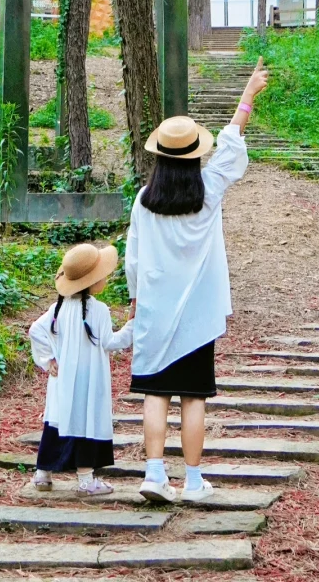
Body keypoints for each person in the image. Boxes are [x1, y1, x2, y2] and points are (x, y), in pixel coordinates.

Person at [125, 56, 270, 504]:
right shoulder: (207, 192)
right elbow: (230, 145)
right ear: (194, 156)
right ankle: (191, 481)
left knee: (155, 391)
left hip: (155, 309)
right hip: (197, 315)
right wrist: (247, 96)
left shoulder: (144, 201)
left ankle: (153, 474)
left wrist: (134, 299)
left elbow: (133, 257)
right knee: (192, 397)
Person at [28, 241, 133, 497]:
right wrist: (132, 326)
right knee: (85, 422)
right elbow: (110, 342)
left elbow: (35, 330)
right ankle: (86, 480)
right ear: (92, 281)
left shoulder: (58, 308)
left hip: (62, 380)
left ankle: (43, 473)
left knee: (56, 420)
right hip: (89, 380)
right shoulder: (99, 310)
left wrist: (49, 359)